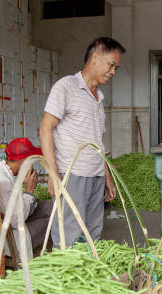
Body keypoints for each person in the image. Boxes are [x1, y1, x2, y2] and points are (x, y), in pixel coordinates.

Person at [39, 37, 124, 247]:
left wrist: (107, 177)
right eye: (111, 65)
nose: (113, 71)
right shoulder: (66, 87)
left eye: (116, 68)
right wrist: (53, 175)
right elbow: (45, 129)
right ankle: (66, 278)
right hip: (72, 174)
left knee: (93, 233)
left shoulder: (99, 97)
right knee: (70, 234)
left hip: (95, 175)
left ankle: (88, 278)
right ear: (95, 57)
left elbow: (97, 142)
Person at [0, 137, 52, 261]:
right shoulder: (1, 180)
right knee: (52, 220)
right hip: (10, 239)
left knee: (49, 205)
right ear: (24, 161)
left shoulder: (4, 170)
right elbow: (17, 220)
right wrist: (29, 191)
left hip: (13, 222)